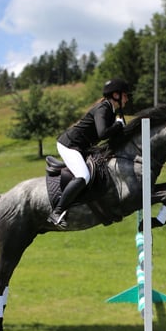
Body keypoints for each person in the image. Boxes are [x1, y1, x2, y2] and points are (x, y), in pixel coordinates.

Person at [47, 78, 131, 228]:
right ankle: (57, 212)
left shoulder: (111, 111)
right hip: (69, 145)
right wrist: (118, 125)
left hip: (81, 147)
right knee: (83, 175)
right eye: (125, 95)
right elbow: (102, 133)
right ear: (116, 95)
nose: (127, 98)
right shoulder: (103, 108)